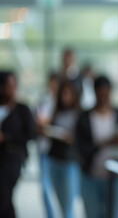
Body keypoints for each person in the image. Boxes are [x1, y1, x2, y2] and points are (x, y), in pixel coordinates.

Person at [75, 75, 118, 218]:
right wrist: (106, 142)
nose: (103, 96)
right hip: (91, 175)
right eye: (100, 92)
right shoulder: (85, 118)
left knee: (114, 213)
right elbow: (81, 148)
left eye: (106, 92)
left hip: (114, 177)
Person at [0, 71, 36, 218]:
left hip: (12, 159)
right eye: (8, 86)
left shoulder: (22, 110)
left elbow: (31, 134)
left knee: (3, 195)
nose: (12, 89)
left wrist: (6, 138)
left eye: (14, 86)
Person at [45, 80, 81, 218]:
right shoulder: (56, 112)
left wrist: (71, 138)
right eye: (63, 93)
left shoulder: (79, 114)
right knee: (59, 202)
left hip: (70, 161)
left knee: (68, 206)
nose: (65, 96)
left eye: (68, 93)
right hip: (55, 159)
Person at [34, 72, 59, 218]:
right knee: (45, 187)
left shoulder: (61, 103)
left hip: (57, 152)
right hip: (44, 149)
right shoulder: (44, 100)